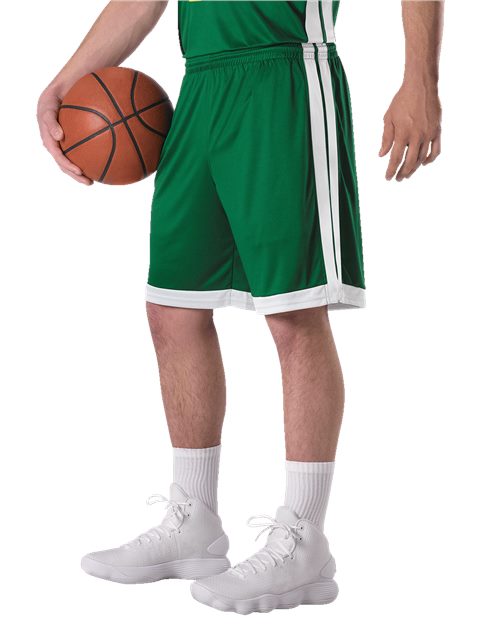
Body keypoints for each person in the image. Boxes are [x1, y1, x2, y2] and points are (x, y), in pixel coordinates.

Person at [37, 0, 443, 615]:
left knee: (294, 313)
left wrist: (420, 81)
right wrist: (64, 81)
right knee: (173, 308)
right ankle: (194, 520)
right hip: (201, 84)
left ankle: (304, 542)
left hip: (284, 76)